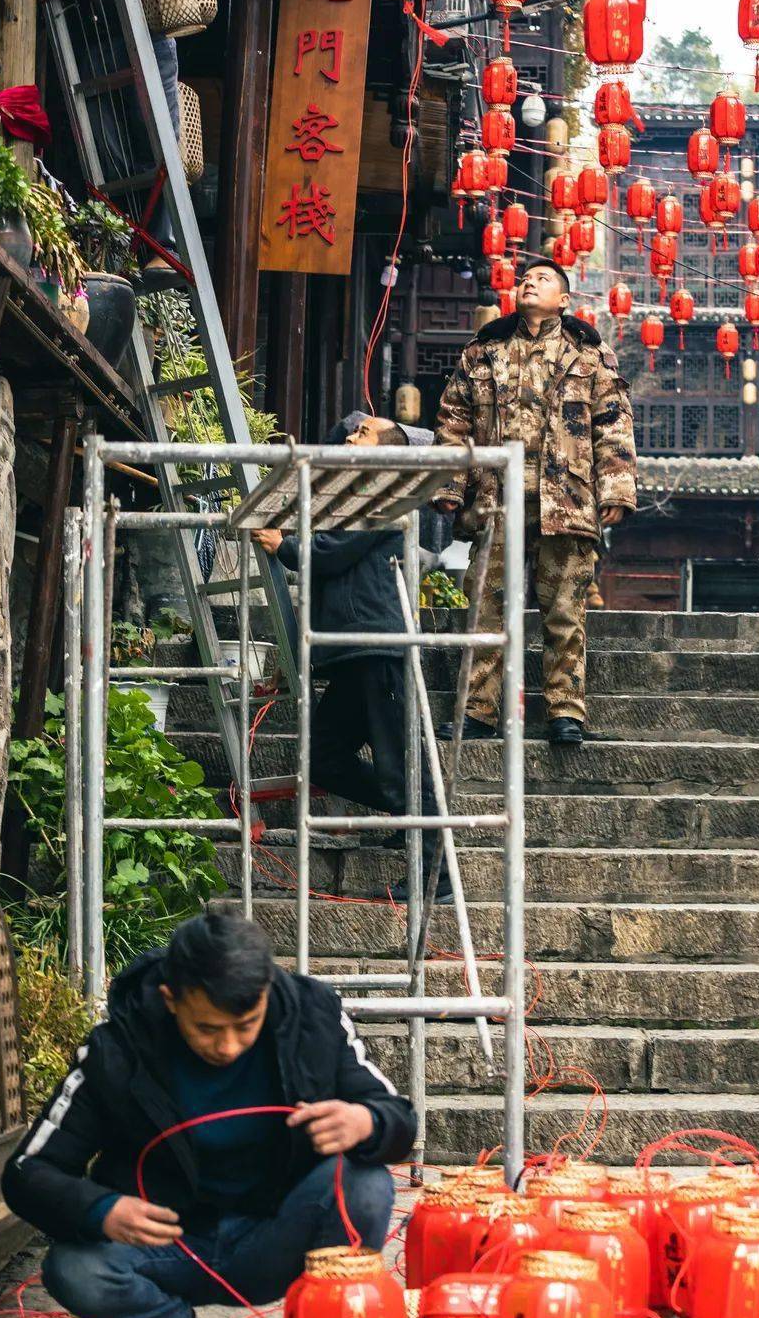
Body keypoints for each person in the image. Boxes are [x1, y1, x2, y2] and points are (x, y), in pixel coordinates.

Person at [2, 912, 414, 1318]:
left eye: (245, 1025)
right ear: (170, 1000)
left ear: (265, 993)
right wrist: (101, 1210)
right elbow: (26, 1171)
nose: (228, 1046)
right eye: (207, 1028)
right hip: (166, 1246)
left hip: (275, 1237)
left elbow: (398, 1117)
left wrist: (365, 1121)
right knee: (75, 1270)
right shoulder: (118, 1048)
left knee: (366, 1185)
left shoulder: (313, 1017)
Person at [433, 259, 637, 746]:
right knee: (486, 606)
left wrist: (616, 489)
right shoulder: (484, 351)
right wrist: (449, 485)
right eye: (525, 278)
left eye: (543, 279)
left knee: (565, 611)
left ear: (564, 300)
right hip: (496, 499)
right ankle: (478, 710)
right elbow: (454, 420)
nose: (529, 282)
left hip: (566, 500)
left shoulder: (589, 354)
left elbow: (613, 422)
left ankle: (565, 712)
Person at [252, 414, 452, 905]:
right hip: (349, 651)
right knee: (321, 756)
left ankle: (436, 876)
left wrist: (285, 545)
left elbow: (330, 554)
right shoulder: (353, 496)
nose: (349, 435)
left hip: (378, 647)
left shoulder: (385, 495)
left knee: (401, 765)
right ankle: (409, 817)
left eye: (363, 433)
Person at [42, 0, 186, 280]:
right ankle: (126, 245)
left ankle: (161, 246)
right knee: (105, 147)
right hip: (96, 37)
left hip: (143, 33)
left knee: (152, 138)